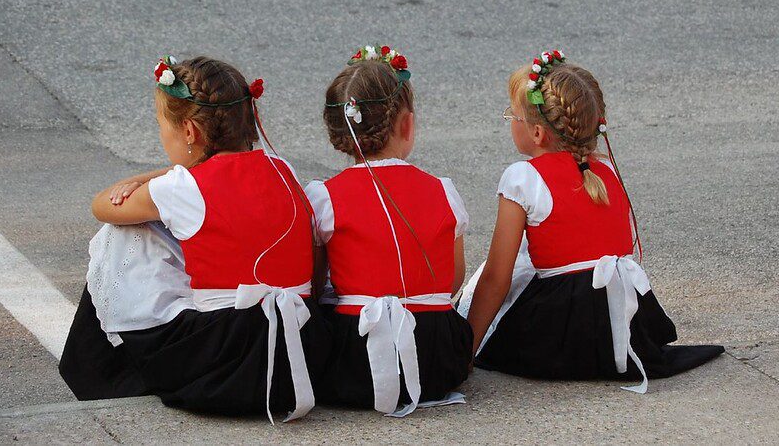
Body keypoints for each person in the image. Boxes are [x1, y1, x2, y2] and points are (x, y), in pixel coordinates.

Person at [59, 56, 331, 421]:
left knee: (123, 233)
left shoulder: (183, 186)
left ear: (189, 132)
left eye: (162, 127)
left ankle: (101, 371)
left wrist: (162, 174)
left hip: (228, 366)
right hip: (297, 350)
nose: (162, 137)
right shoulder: (283, 168)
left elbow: (103, 206)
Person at [459, 50, 724, 392]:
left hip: (561, 331)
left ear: (537, 133)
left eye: (513, 115)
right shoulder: (606, 170)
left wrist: (465, 351)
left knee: (497, 275)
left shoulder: (522, 177)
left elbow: (497, 276)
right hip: (621, 325)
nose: (511, 120)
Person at [306, 45, 472, 416]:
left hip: (355, 358)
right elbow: (453, 279)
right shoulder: (443, 189)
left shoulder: (324, 197)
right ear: (407, 124)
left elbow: (315, 286)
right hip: (436, 355)